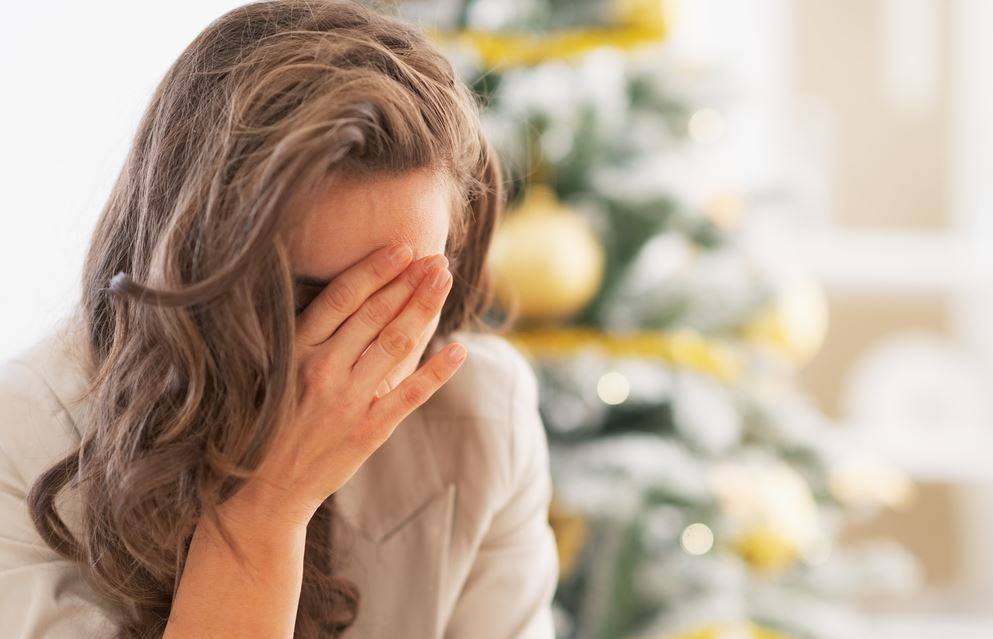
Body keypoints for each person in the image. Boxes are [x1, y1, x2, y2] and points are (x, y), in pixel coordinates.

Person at [0, 1, 558, 637]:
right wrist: (265, 513)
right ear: (192, 265)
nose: (363, 349)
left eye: (406, 294)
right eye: (305, 298)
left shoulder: (482, 415)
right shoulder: (20, 439)